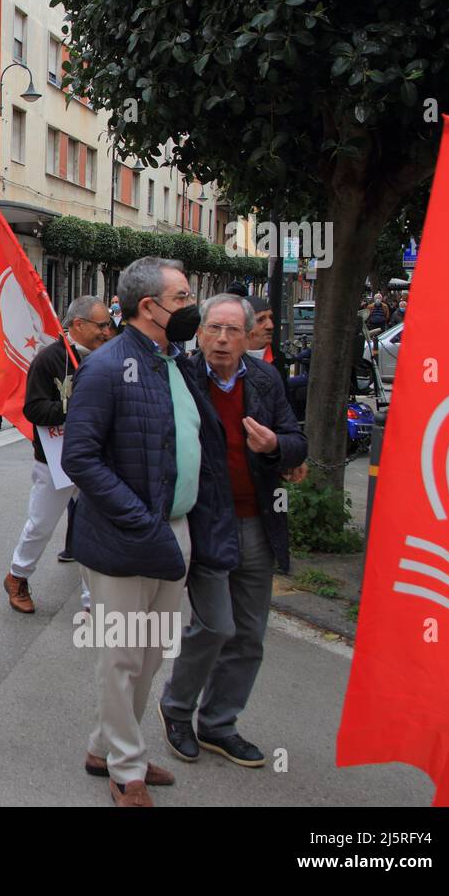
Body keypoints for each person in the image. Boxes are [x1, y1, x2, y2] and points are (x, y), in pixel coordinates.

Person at [62, 257, 237, 807]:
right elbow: (81, 458)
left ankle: (106, 746)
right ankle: (126, 767)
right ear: (149, 307)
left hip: (173, 529)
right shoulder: (106, 367)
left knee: (153, 651)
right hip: (124, 535)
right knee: (121, 656)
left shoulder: (173, 364)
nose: (194, 309)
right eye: (184, 299)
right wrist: (141, 521)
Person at [158, 294, 306, 771]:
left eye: (232, 331)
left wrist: (277, 447)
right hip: (205, 519)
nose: (222, 339)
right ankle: (177, 709)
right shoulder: (181, 377)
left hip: (257, 520)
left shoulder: (265, 379)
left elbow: (294, 441)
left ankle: (219, 723)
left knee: (249, 634)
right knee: (216, 624)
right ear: (199, 334)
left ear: (249, 336)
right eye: (213, 329)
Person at [2, 296, 110, 615]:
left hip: (97, 458)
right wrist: (75, 407)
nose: (107, 331)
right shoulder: (49, 359)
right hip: (56, 458)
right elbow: (34, 408)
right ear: (78, 325)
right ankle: (17, 576)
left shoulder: (108, 357)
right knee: (41, 525)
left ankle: (93, 599)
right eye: (101, 325)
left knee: (96, 527)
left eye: (108, 325)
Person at [245, 296, 274, 363]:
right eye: (260, 320)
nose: (270, 326)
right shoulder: (229, 360)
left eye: (271, 318)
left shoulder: (278, 359)